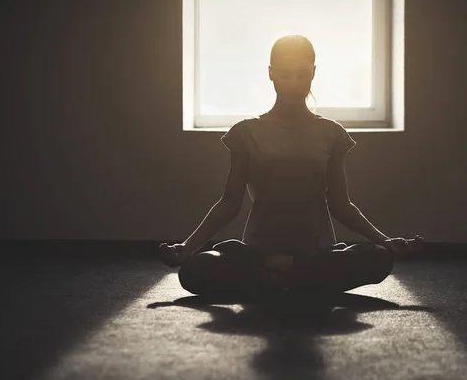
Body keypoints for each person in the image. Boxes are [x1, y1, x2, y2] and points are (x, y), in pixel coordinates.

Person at [157, 35, 423, 297]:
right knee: (193, 270)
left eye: (302, 74)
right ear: (271, 73)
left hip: (318, 252)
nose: (294, 83)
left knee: (378, 258)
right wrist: (187, 247)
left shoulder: (332, 133)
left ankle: (281, 276)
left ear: (313, 73)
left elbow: (341, 204)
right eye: (285, 75)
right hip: (258, 252)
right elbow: (229, 202)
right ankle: (294, 278)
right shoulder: (246, 132)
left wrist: (384, 240)